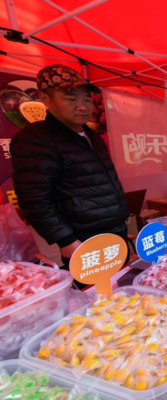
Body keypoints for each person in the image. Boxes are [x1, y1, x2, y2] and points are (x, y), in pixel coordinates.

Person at [11, 65, 129, 271]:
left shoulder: (92, 136)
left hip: (113, 231)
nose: (83, 106)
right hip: (82, 239)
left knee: (123, 291)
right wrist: (66, 241)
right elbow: (34, 199)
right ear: (45, 99)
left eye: (86, 99)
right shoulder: (36, 139)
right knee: (97, 297)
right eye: (71, 99)